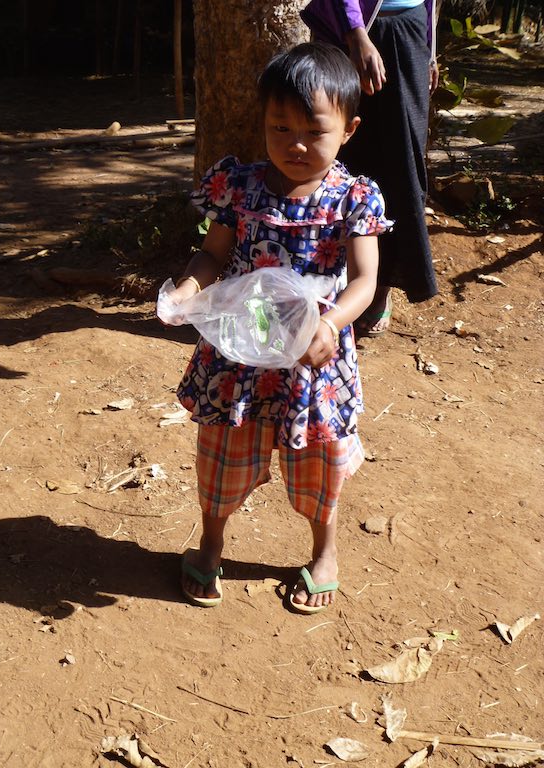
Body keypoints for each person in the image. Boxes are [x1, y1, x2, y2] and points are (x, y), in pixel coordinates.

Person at [163, 41, 391, 613]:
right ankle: (211, 544)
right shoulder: (238, 186)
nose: (295, 144)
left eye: (314, 131)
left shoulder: (352, 198)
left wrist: (331, 323)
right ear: (261, 123)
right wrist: (191, 284)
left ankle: (325, 551)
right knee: (222, 452)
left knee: (318, 460)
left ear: (348, 129)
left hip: (314, 358)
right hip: (238, 356)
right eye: (279, 127)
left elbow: (364, 281)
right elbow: (212, 255)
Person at [301, 0, 439, 336]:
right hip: (349, 33)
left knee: (401, 163)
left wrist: (430, 47)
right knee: (339, 152)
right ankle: (323, 281)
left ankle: (379, 287)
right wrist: (356, 33)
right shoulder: (352, 35)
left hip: (408, 30)